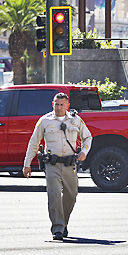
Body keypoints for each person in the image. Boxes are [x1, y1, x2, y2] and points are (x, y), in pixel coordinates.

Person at [23, 93, 92, 241]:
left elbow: (88, 137)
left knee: (71, 196)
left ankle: (63, 222)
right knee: (54, 196)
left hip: (70, 164)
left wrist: (84, 152)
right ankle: (57, 228)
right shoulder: (45, 121)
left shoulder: (75, 120)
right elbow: (34, 142)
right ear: (52, 104)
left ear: (67, 105)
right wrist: (27, 163)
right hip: (52, 165)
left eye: (62, 105)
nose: (59, 107)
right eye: (56, 104)